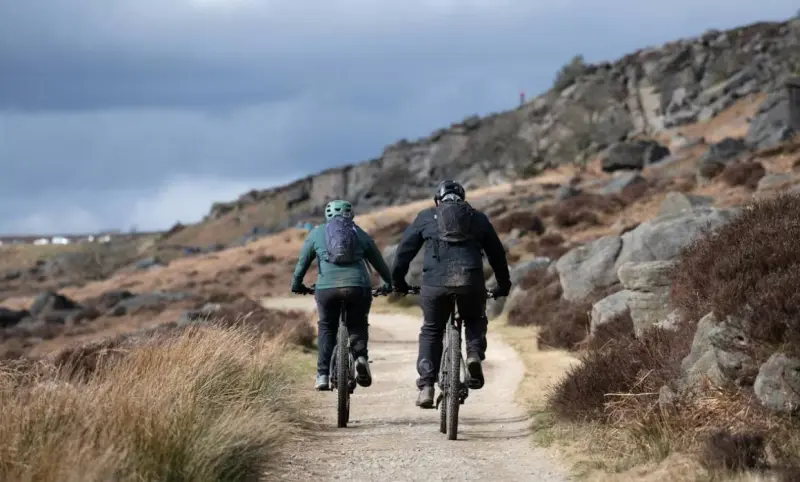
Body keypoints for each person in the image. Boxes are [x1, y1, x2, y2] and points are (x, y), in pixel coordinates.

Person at [391, 180, 511, 408]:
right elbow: (497, 255)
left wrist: (398, 283)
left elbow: (403, 253)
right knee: (474, 319)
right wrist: (503, 286)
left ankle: (427, 386)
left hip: (435, 285)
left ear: (438, 201)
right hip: (470, 282)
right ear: (463, 200)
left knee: (431, 330)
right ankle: (473, 355)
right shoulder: (478, 218)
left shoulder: (427, 217)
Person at [291, 199, 393, 391]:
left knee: (327, 327)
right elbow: (379, 263)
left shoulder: (317, 233)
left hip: (327, 289)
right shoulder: (359, 233)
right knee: (358, 323)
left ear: (327, 215)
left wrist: (297, 285)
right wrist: (388, 283)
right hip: (357, 287)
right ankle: (360, 357)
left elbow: (302, 264)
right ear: (350, 214)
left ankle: (322, 375)